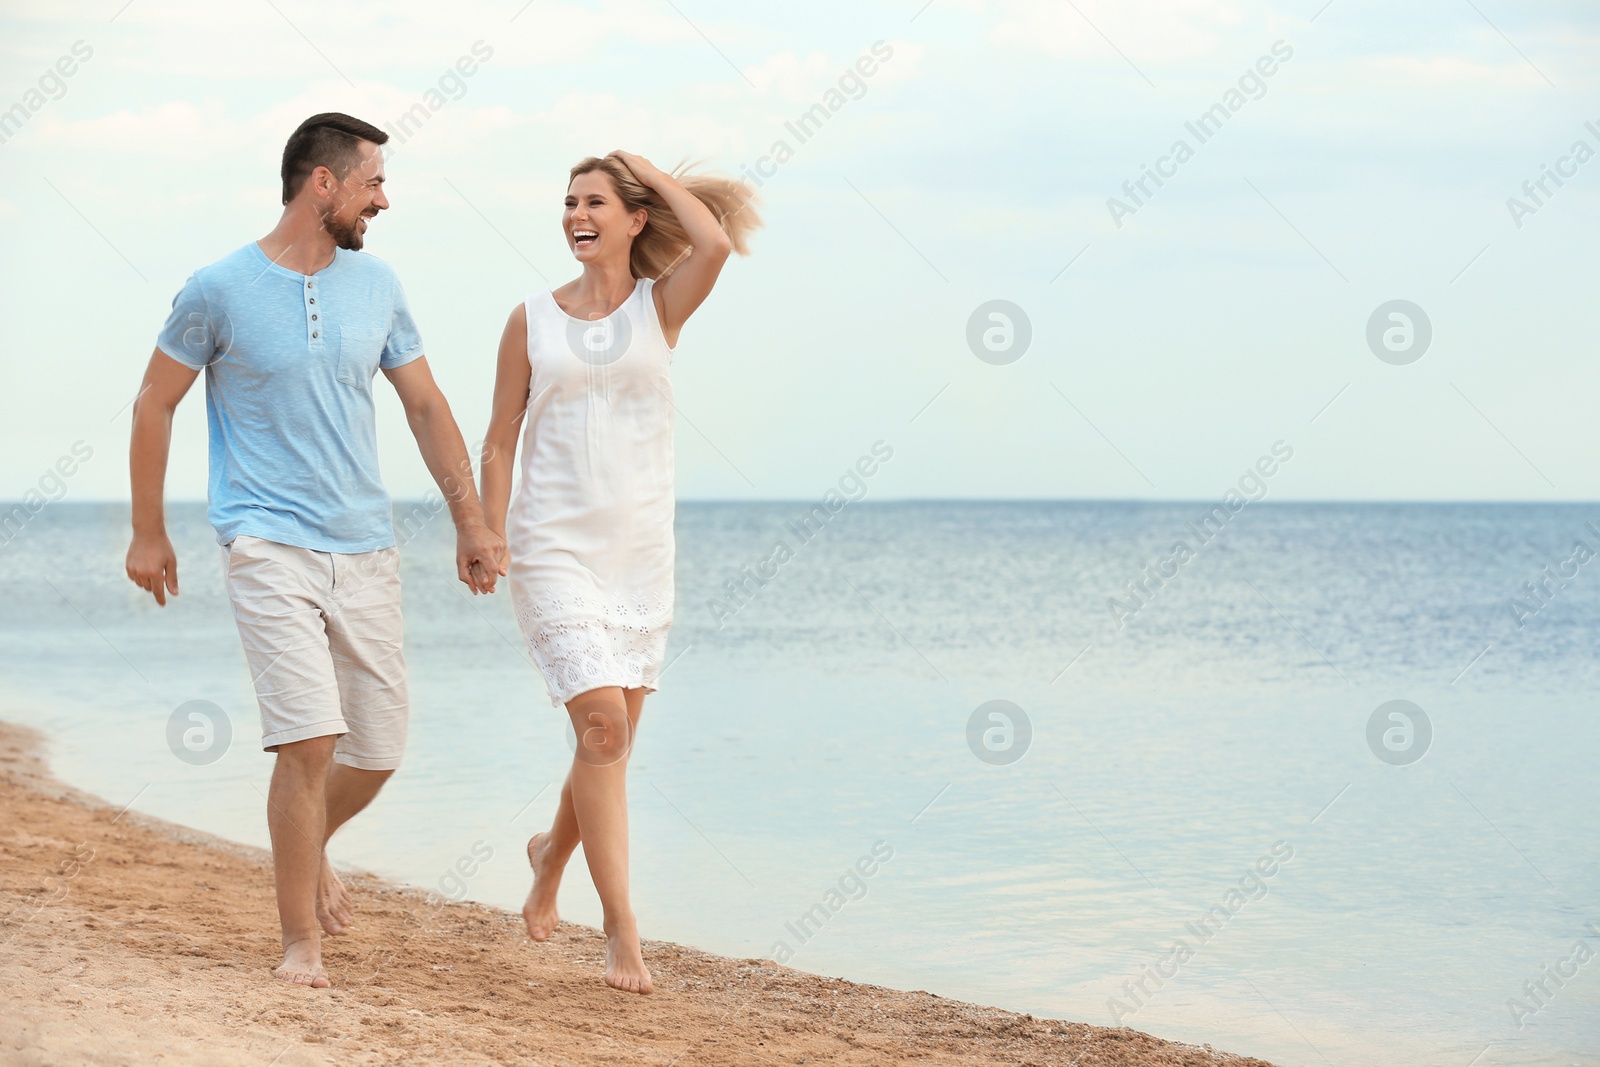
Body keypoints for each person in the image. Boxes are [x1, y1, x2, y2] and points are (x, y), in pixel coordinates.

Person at [125, 112, 504, 988]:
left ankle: (309, 842)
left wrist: (471, 519)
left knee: (377, 748)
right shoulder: (218, 287)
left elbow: (425, 406)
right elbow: (155, 401)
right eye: (374, 181)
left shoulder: (379, 286)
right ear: (323, 183)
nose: (384, 199)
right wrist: (149, 529)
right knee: (310, 739)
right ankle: (302, 943)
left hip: (365, 546)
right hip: (266, 541)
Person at [477, 150, 759, 994]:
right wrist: (488, 529)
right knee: (603, 727)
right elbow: (498, 438)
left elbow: (710, 243)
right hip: (552, 549)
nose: (575, 215)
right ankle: (623, 928)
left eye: (594, 200)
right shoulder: (530, 317)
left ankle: (547, 858)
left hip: (639, 554)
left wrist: (643, 169)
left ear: (635, 219)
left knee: (609, 742)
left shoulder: (659, 307)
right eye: (567, 202)